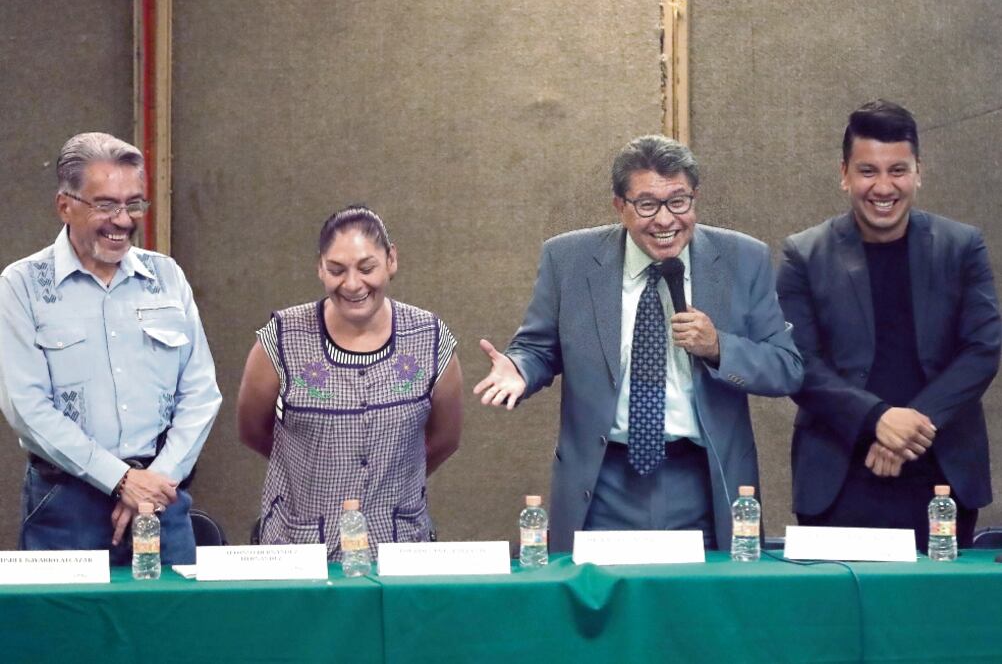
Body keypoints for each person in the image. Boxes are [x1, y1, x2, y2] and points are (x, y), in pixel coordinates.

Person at [475, 135, 803, 551]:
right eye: (647, 205)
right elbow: (538, 348)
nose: (665, 220)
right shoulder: (569, 259)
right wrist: (520, 368)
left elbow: (787, 368)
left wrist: (719, 347)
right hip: (602, 483)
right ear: (620, 206)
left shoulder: (743, 259)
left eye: (678, 202)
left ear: (695, 198)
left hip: (704, 480)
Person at [777, 100, 1001, 549]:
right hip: (840, 479)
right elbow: (798, 363)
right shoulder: (804, 254)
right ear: (844, 174)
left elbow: (983, 349)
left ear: (918, 173)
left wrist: (909, 428)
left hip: (942, 477)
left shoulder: (962, 247)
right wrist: (876, 419)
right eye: (868, 171)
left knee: (939, 597)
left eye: (898, 170)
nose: (883, 186)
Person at [0, 132, 221, 564]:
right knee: (67, 613)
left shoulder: (167, 277)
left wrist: (154, 482)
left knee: (172, 610)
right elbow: (26, 407)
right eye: (105, 205)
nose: (122, 220)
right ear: (64, 205)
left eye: (133, 204)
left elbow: (200, 392)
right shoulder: (22, 286)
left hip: (161, 497)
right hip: (66, 505)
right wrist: (121, 480)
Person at [237, 205, 463, 560]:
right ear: (319, 268)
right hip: (299, 549)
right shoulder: (282, 337)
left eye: (367, 268)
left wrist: (393, 476)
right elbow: (252, 431)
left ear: (391, 260)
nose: (353, 284)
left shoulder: (429, 337)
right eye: (336, 270)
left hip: (398, 546)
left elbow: (445, 439)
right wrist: (313, 468)